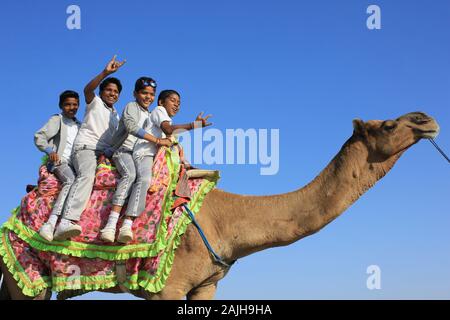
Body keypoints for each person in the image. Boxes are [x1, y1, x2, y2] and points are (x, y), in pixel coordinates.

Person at [116, 90, 212, 243]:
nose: (176, 105)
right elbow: (167, 130)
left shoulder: (168, 122)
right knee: (145, 179)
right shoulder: (159, 112)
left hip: (157, 160)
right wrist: (194, 125)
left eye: (179, 103)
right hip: (145, 154)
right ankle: (126, 223)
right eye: (173, 100)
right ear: (161, 102)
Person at [53, 55, 125, 241]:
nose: (112, 93)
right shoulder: (95, 103)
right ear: (102, 92)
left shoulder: (116, 115)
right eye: (108, 90)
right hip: (85, 148)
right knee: (87, 175)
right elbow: (87, 89)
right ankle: (66, 220)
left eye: (116, 91)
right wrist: (105, 73)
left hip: (102, 153)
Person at [100, 77, 173, 243]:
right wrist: (157, 141)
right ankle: (111, 224)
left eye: (151, 94)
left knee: (146, 179)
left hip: (140, 155)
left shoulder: (151, 115)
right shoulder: (131, 107)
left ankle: (128, 223)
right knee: (130, 175)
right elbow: (132, 127)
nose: (148, 97)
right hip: (124, 151)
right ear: (135, 94)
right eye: (144, 93)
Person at [34, 90, 82, 242]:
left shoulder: (79, 125)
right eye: (67, 104)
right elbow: (40, 136)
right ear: (61, 106)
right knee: (71, 180)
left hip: (74, 163)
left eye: (75, 104)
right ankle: (51, 223)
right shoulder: (57, 120)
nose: (71, 107)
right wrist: (50, 151)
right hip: (59, 161)